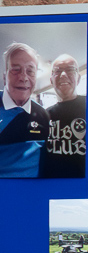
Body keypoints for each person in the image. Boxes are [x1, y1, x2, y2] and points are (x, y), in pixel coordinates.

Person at [2, 41, 50, 178]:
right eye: (15, 69)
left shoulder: (43, 116)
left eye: (30, 71)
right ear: (4, 77)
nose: (23, 77)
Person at [41, 53, 85, 177]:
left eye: (70, 69)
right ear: (51, 80)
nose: (63, 75)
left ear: (78, 78)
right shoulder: (44, 115)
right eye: (57, 71)